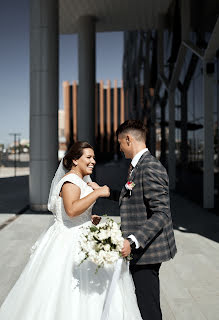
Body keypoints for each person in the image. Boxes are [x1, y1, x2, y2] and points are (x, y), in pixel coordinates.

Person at [0, 141, 142, 320]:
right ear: (75, 160)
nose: (93, 161)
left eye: (94, 157)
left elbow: (74, 213)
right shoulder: (71, 182)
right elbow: (72, 210)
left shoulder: (80, 181)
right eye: (88, 157)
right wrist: (97, 193)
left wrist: (89, 218)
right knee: (70, 290)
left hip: (81, 234)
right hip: (68, 242)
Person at [90, 120, 177, 320]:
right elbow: (135, 197)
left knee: (148, 307)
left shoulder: (150, 167)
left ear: (128, 139)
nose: (119, 148)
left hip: (148, 252)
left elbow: (162, 213)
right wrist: (107, 192)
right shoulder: (137, 166)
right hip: (141, 250)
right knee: (143, 303)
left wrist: (133, 241)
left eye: (120, 143)